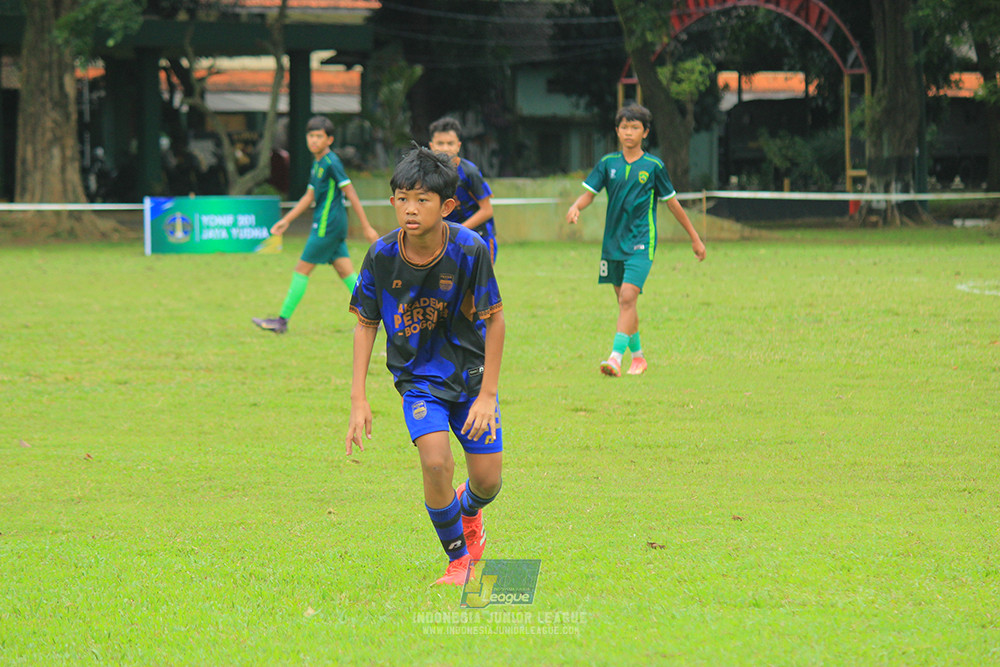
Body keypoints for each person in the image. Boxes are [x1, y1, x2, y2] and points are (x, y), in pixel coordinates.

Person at [346, 145, 505, 586]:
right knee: (436, 463)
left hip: (471, 379)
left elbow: (495, 320)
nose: (410, 209)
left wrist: (488, 395)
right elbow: (365, 324)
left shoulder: (470, 249)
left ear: (447, 206)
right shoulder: (381, 255)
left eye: (422, 199)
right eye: (402, 199)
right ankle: (459, 561)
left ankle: (468, 510)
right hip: (418, 381)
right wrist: (358, 398)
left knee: (488, 483)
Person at [566, 103, 706, 377]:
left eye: (635, 127)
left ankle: (615, 358)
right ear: (617, 131)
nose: (629, 132)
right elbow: (589, 194)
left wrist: (695, 238)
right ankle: (639, 358)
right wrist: (576, 206)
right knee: (625, 303)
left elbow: (673, 204)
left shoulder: (654, 166)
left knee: (627, 298)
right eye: (624, 127)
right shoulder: (608, 163)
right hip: (613, 243)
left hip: (642, 241)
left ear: (645, 132)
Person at [253, 116, 379, 334]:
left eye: (319, 136)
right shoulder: (318, 163)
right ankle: (373, 317)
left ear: (329, 139)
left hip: (327, 226)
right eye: (310, 136)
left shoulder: (331, 162)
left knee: (301, 269)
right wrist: (286, 220)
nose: (313, 140)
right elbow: (309, 196)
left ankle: (281, 321)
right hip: (330, 226)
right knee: (345, 272)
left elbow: (350, 192)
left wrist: (366, 226)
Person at [428, 117, 498, 263]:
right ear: (431, 145)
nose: (445, 148)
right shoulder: (427, 174)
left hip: (478, 237)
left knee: (478, 278)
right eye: (440, 143)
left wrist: (458, 231)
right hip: (447, 240)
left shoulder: (469, 173)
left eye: (450, 143)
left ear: (458, 146)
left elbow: (487, 210)